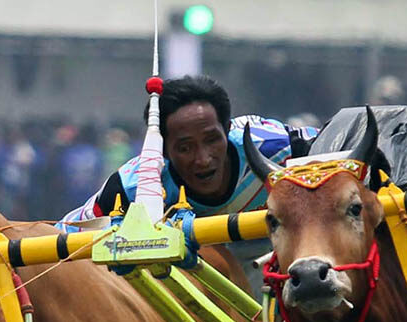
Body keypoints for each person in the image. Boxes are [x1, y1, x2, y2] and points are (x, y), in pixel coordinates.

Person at [60, 75, 318, 291]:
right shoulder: (134, 187)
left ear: (227, 129)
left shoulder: (279, 146)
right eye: (185, 147)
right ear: (163, 150)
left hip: (291, 255)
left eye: (211, 140)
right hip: (206, 277)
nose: (203, 159)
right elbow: (64, 238)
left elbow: (343, 161)